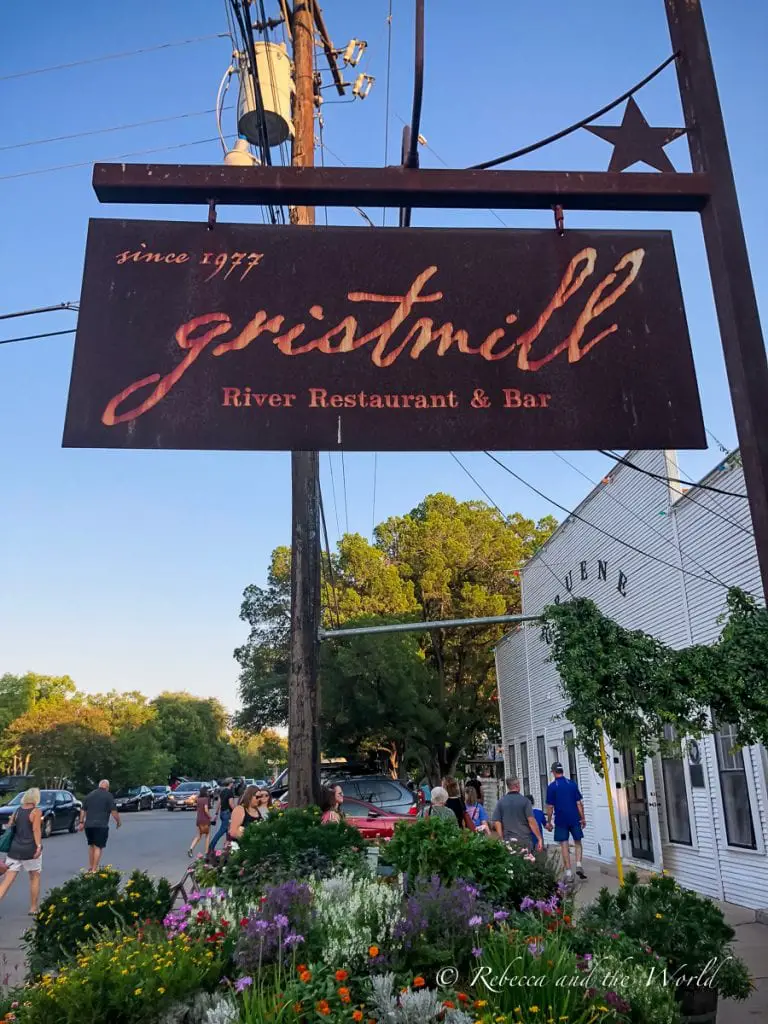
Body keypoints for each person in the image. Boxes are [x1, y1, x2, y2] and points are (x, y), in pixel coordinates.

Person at [0, 788, 44, 915]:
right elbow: (36, 830)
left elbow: (9, 826)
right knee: (34, 877)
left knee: (7, 880)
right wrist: (38, 846)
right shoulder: (36, 812)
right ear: (36, 798)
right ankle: (33, 907)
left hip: (14, 849)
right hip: (30, 849)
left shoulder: (17, 811)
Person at [545, 762, 587, 880]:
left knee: (564, 844)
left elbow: (550, 806)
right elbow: (579, 803)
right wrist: (582, 818)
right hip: (574, 818)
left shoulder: (552, 787)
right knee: (578, 842)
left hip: (561, 819)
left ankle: (568, 872)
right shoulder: (572, 784)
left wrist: (549, 821)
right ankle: (578, 864)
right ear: (562, 771)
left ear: (553, 772)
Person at [79, 779, 121, 872]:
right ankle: (94, 869)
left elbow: (83, 809)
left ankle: (90, 867)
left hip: (88, 826)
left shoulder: (90, 795)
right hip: (101, 825)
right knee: (98, 847)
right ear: (107, 787)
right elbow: (114, 811)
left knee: (91, 845)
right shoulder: (108, 796)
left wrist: (81, 822)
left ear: (99, 785)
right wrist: (118, 821)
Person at [491, 777, 543, 850]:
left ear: (508, 787)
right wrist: (539, 838)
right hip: (524, 839)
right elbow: (531, 821)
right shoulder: (525, 801)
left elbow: (497, 821)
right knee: (526, 860)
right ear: (517, 786)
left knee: (510, 860)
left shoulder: (501, 802)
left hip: (508, 839)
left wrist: (501, 838)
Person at [210, 778, 236, 851]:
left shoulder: (222, 791)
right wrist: (236, 810)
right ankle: (211, 847)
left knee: (229, 831)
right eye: (233, 783)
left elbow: (219, 803)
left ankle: (227, 847)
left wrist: (216, 813)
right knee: (222, 830)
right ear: (230, 783)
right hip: (228, 813)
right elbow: (231, 804)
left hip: (222, 812)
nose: (233, 784)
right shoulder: (230, 792)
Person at [188, 785, 213, 858]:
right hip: (205, 819)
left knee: (198, 835)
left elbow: (193, 804)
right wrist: (209, 816)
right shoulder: (206, 799)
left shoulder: (198, 799)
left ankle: (191, 848)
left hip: (199, 819)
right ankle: (206, 852)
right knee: (207, 835)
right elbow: (206, 809)